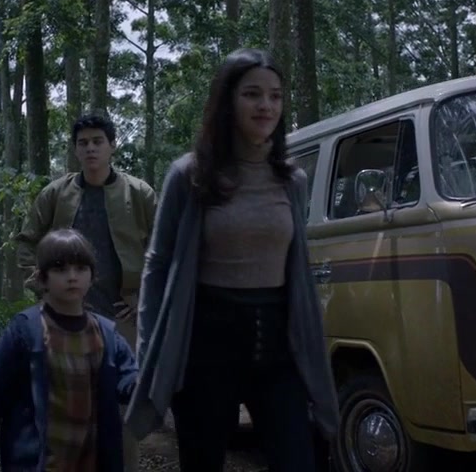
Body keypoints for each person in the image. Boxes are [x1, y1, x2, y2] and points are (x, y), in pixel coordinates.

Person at [124, 48, 339, 471]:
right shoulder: (190, 175)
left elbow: (297, 267)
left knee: (299, 459)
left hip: (278, 344)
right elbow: (158, 263)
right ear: (227, 101)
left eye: (275, 96)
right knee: (203, 461)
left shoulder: (293, 180)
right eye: (252, 94)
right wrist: (149, 349)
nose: (266, 106)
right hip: (206, 345)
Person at [14, 114, 157, 470]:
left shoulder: (138, 193)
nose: (91, 148)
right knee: (63, 405)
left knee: (122, 410)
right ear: (75, 149)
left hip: (122, 318)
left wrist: (142, 298)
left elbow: (162, 251)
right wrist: (43, 287)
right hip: (64, 319)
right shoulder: (56, 194)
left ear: (112, 146)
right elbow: (27, 242)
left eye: (97, 141)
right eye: (83, 142)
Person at [0, 228, 139, 472]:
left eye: (81, 268)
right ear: (42, 278)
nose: (72, 277)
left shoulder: (107, 335)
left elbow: (130, 382)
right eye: (60, 269)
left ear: (92, 276)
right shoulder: (25, 332)